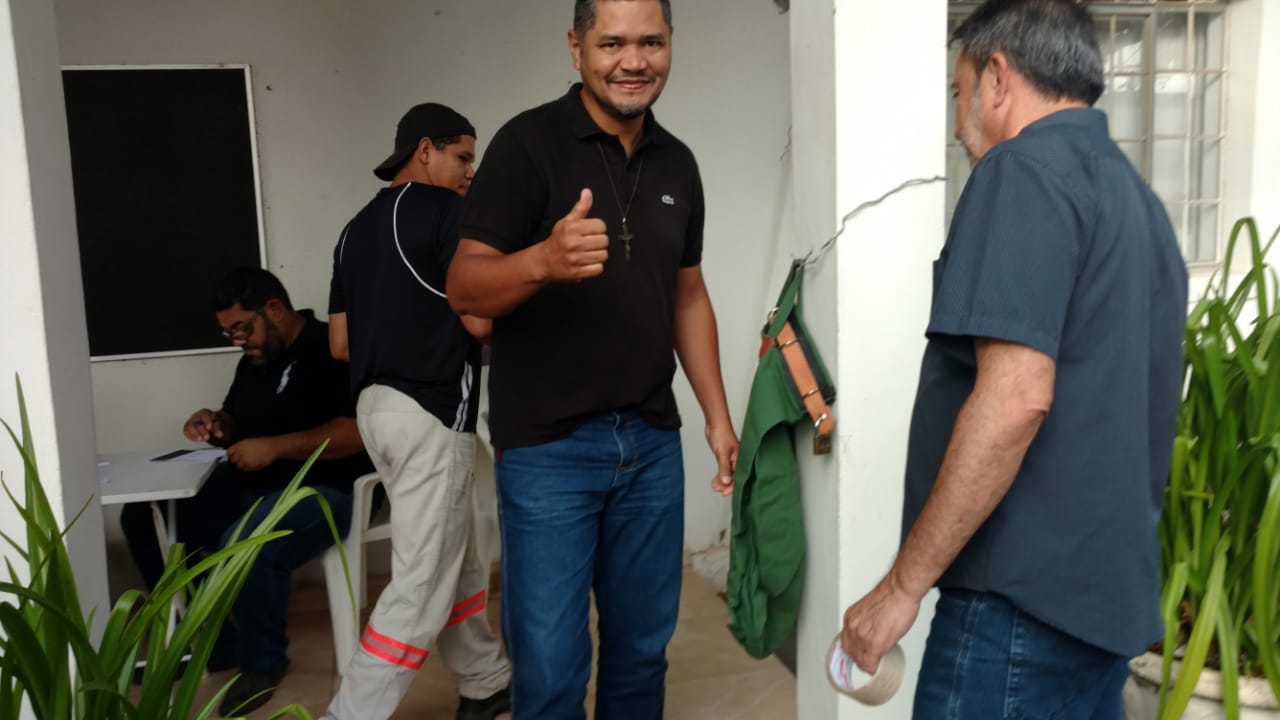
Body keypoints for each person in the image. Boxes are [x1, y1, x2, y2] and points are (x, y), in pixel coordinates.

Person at [838, 1, 1189, 717]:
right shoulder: (1141, 204)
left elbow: (1017, 398)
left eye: (958, 89)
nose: (957, 117)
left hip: (1017, 613)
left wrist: (900, 589)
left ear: (997, 78)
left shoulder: (1021, 169)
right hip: (1100, 612)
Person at [446, 1, 738, 717]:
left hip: (650, 441)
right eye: (612, 43)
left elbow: (689, 296)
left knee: (641, 652)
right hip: (549, 447)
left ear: (670, 45)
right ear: (576, 49)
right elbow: (464, 287)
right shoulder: (527, 145)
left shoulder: (678, 162)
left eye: (651, 42)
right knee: (550, 666)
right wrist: (541, 261)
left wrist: (716, 415)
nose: (633, 61)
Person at [320, 103, 511, 720]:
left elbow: (340, 344)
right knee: (421, 583)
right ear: (424, 150)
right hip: (431, 410)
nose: (470, 173)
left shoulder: (353, 230)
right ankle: (348, 714)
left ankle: (485, 681)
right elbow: (479, 321)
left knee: (458, 556)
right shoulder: (447, 213)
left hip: (376, 411)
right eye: (463, 157)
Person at [120, 266, 374, 715]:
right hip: (252, 483)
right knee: (145, 517)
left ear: (273, 309)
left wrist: (274, 447)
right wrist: (217, 423)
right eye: (228, 333)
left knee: (245, 540)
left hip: (326, 489)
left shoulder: (331, 348)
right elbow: (240, 420)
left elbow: (357, 433)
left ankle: (262, 664)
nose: (237, 340)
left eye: (241, 328)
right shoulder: (255, 359)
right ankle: (215, 646)